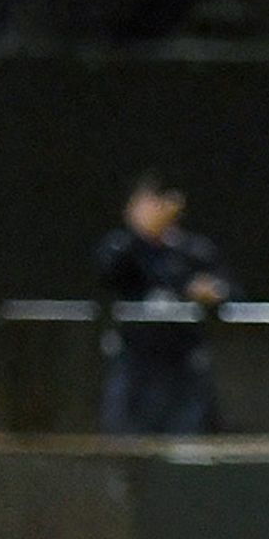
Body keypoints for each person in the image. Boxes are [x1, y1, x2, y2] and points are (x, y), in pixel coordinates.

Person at [94, 171, 232, 436]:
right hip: (134, 364)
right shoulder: (121, 248)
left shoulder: (194, 250)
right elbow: (108, 274)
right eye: (145, 203)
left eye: (159, 202)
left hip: (182, 366)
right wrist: (142, 237)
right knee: (126, 448)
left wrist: (212, 292)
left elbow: (229, 291)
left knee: (185, 449)